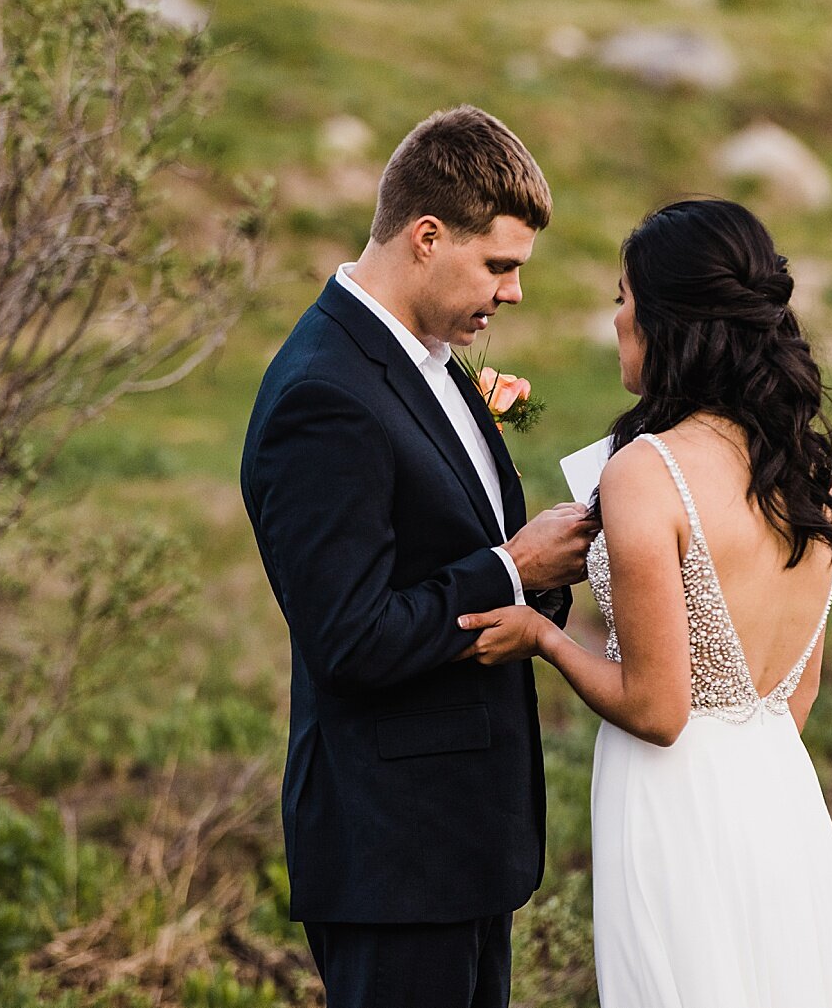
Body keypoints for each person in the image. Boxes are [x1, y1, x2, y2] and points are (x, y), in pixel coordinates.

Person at [460, 198, 832, 1006]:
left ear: (666, 320)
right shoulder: (805, 471)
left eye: (622, 298)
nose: (616, 319)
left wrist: (543, 639)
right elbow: (799, 694)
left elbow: (658, 708)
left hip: (673, 802)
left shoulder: (647, 472)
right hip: (778, 794)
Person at [239, 105, 597, 1008]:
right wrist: (515, 569)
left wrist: (542, 577)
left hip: (467, 842)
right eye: (500, 265)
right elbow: (350, 637)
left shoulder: (432, 356)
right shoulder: (324, 395)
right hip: (393, 854)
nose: (514, 292)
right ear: (427, 236)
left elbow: (457, 544)